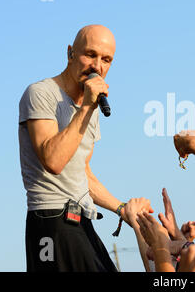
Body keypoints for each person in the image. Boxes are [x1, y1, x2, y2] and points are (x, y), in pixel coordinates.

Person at [19, 24, 152, 271]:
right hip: (51, 221)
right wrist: (88, 108)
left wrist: (122, 209)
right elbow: (53, 161)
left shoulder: (89, 108)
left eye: (106, 60)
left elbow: (83, 173)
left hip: (81, 219)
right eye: (90, 54)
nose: (97, 66)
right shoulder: (41, 93)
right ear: (70, 53)